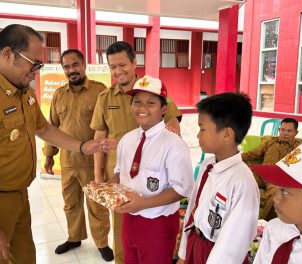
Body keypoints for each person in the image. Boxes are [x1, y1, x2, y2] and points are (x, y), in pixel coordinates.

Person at [0, 24, 113, 264]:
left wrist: (82, 146)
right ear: (7, 54)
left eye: (40, 65)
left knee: (25, 257)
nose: (36, 70)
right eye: (33, 63)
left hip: (18, 195)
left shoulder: (23, 91)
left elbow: (44, 128)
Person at [90, 41, 183, 264]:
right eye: (112, 67)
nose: (117, 71)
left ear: (134, 63)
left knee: (153, 232)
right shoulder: (104, 98)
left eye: (122, 65)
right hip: (121, 176)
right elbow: (98, 139)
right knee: (124, 234)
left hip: (152, 177)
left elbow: (173, 125)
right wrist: (98, 177)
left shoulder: (151, 89)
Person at [109, 75, 193, 263]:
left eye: (150, 103)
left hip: (158, 223)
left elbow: (183, 189)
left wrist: (144, 204)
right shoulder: (127, 139)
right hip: (129, 219)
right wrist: (108, 188)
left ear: (164, 109)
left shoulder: (173, 144)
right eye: (136, 101)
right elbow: (119, 173)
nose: (141, 108)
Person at [42, 49, 113, 261]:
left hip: (93, 163)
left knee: (97, 205)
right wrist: (48, 155)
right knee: (70, 203)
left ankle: (101, 243)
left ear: (84, 65)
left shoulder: (100, 92)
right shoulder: (59, 95)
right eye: (66, 66)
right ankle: (74, 237)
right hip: (68, 162)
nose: (71, 70)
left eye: (75, 65)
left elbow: (107, 127)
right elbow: (51, 127)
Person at [177, 93, 260, 264]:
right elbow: (193, 208)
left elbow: (235, 243)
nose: (198, 136)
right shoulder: (207, 166)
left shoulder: (242, 181)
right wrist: (184, 254)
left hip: (217, 254)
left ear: (227, 135)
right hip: (196, 243)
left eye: (202, 129)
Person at [242, 118, 302, 220]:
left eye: (289, 131)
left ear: (296, 132)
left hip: (277, 179)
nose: (285, 133)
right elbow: (252, 154)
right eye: (282, 130)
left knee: (276, 193)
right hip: (261, 174)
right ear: (279, 130)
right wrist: (230, 158)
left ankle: (264, 224)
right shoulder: (270, 142)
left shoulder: (299, 148)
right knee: (237, 176)